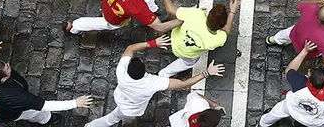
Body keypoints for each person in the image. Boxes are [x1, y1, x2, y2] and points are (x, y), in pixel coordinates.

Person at [86, 36, 226, 127]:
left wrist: (151, 43)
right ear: (143, 71)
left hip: (122, 101)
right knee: (113, 117)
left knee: (112, 118)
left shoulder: (121, 72)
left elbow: (130, 49)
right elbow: (184, 84)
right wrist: (207, 72)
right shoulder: (152, 82)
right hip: (133, 109)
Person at [0, 39, 91, 124]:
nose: (8, 64)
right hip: (7, 113)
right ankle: (48, 119)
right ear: (3, 79)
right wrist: (75, 103)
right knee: (34, 113)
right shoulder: (15, 96)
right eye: (6, 68)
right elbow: (45, 105)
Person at [157, 0, 239, 77]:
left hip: (174, 41)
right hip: (188, 55)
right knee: (188, 62)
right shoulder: (218, 39)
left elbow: (169, 8)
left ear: (208, 15)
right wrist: (232, 11)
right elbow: (227, 30)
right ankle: (165, 73)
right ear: (221, 26)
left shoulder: (196, 14)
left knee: (182, 17)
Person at [258, 41, 324, 127]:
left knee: (277, 111)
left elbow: (289, 69)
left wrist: (305, 51)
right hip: (313, 121)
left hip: (293, 109)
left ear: (310, 82)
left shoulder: (300, 83)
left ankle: (263, 124)